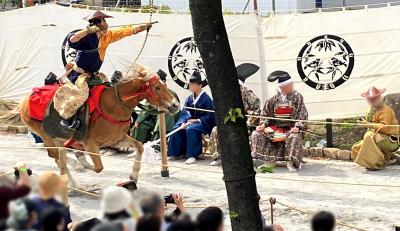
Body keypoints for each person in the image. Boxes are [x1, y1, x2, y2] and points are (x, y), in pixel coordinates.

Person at [54, 10, 153, 131]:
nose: (105, 24)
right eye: (101, 21)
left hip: (95, 76)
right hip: (79, 75)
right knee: (80, 96)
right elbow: (72, 40)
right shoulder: (87, 37)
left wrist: (143, 27)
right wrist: (87, 31)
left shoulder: (107, 36)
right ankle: (67, 120)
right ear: (94, 24)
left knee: (110, 93)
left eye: (104, 21)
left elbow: (124, 31)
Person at [251, 71, 308, 171]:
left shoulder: (297, 97)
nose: (290, 87)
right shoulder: (272, 99)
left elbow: (302, 113)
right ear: (281, 87)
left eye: (290, 85)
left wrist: (297, 126)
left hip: (291, 128)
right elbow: (266, 115)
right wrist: (263, 124)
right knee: (257, 134)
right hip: (275, 128)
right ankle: (269, 161)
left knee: (294, 136)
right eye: (287, 86)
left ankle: (291, 163)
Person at [208, 63, 261, 166]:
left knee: (240, 130)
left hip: (245, 122)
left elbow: (256, 110)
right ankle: (218, 156)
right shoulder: (226, 93)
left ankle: (242, 157)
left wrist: (247, 119)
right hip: (229, 121)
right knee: (216, 129)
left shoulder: (247, 92)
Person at [167, 71, 215, 165]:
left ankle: (193, 155)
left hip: (204, 123)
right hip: (190, 122)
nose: (190, 87)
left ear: (200, 86)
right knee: (178, 128)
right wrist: (183, 122)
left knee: (191, 129)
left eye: (193, 85)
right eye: (190, 84)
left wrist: (197, 120)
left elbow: (210, 115)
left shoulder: (206, 98)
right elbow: (185, 112)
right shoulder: (189, 98)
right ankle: (177, 153)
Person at [351, 87, 399, 170]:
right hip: (376, 136)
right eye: (370, 99)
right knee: (357, 147)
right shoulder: (370, 109)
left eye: (374, 98)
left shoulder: (386, 110)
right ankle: (379, 159)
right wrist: (364, 123)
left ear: (379, 98)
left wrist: (368, 125)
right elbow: (370, 123)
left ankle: (378, 163)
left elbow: (385, 128)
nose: (372, 101)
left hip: (391, 140)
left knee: (369, 135)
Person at [131, 69, 180, 143]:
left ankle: (155, 146)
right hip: (154, 118)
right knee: (141, 125)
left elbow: (176, 110)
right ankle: (138, 145)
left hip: (168, 120)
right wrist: (138, 121)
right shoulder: (153, 93)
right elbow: (146, 109)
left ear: (163, 82)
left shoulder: (171, 93)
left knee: (162, 121)